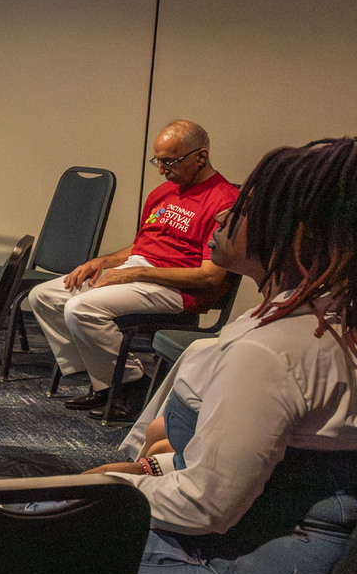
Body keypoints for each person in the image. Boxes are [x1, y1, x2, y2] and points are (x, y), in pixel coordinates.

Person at [81, 133, 357, 574]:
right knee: (49, 513)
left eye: (238, 210)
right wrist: (146, 472)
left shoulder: (271, 351)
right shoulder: (340, 320)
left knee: (10, 539)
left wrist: (109, 488)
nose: (218, 218)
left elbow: (206, 508)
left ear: (292, 232)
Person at [27, 119, 240, 421]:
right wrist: (101, 262)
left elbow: (210, 276)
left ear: (200, 157)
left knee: (80, 308)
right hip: (139, 273)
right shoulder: (163, 192)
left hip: (177, 289)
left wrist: (136, 274)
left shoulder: (224, 201)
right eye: (158, 160)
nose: (161, 169)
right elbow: (141, 246)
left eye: (170, 162)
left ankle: (132, 384)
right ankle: (104, 383)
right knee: (44, 296)